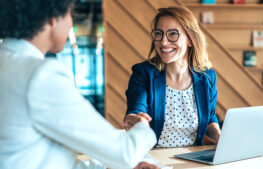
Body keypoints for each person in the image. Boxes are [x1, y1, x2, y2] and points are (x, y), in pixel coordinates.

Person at [0, 0, 158, 169]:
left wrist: (105, 167)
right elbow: (125, 153)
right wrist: (142, 127)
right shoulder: (41, 75)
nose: (71, 22)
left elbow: (36, 156)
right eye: (69, 13)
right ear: (51, 19)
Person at [123, 6, 221, 147]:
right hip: (153, 159)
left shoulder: (207, 77)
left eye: (173, 34)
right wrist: (134, 119)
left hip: (193, 159)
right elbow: (137, 108)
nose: (163, 42)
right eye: (159, 34)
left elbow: (210, 117)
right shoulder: (143, 73)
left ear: (190, 39)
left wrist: (220, 138)